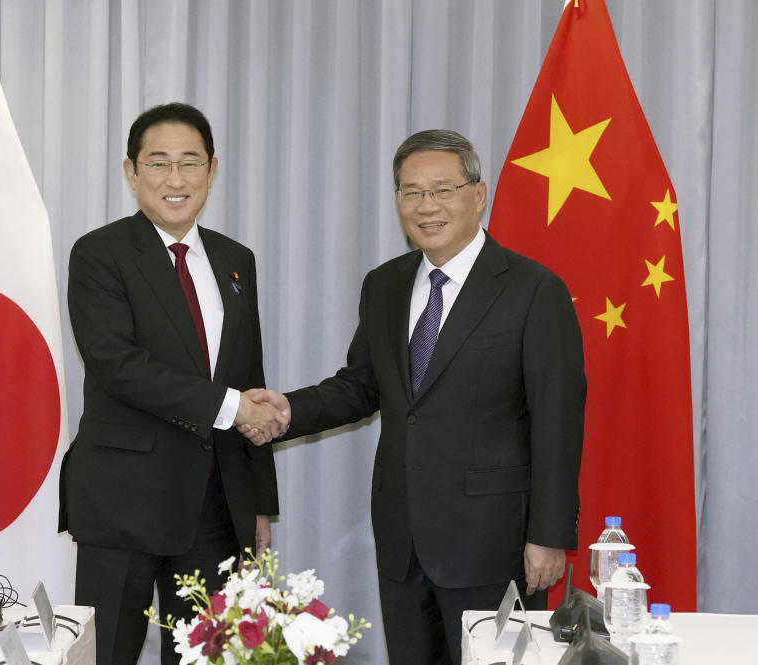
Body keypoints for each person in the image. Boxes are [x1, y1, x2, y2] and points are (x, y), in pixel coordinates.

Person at [242, 130, 586, 665]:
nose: (426, 206)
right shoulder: (385, 285)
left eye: (442, 190)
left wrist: (548, 535)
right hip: (403, 538)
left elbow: (557, 422)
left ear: (479, 193)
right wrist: (289, 409)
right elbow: (361, 385)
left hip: (495, 544)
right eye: (411, 192)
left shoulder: (533, 289)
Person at [60, 102, 287, 665]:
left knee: (208, 657)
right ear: (130, 171)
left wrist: (258, 503)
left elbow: (248, 377)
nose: (176, 179)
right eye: (158, 163)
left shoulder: (238, 261)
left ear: (212, 170)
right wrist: (233, 408)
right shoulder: (100, 254)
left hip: (214, 509)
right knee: (107, 653)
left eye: (190, 163)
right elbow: (119, 365)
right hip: (123, 505)